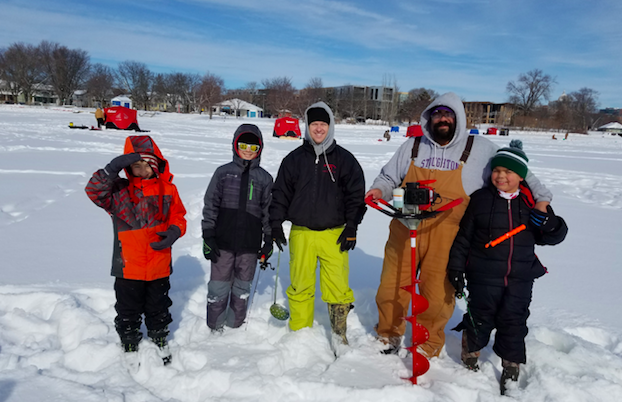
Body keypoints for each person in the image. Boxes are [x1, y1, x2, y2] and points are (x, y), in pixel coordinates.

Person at [365, 92, 553, 357]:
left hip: (448, 234)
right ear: (429, 118)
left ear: (458, 119)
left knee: (437, 293)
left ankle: (427, 344)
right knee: (392, 285)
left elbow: (518, 170)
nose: (442, 119)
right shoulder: (413, 145)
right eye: (437, 114)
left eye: (448, 114)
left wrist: (542, 199)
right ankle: (388, 333)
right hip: (405, 228)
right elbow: (388, 177)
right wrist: (378, 191)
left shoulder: (481, 148)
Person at [447, 141, 567, 394]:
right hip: (483, 275)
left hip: (520, 277)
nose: (501, 176)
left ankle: (511, 367)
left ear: (520, 176)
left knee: (514, 321)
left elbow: (553, 237)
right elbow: (463, 239)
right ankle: (470, 356)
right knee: (479, 317)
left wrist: (551, 224)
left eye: (508, 172)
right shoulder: (480, 200)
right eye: (496, 170)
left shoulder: (532, 202)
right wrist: (456, 269)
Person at [270, 101, 366, 348]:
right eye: (314, 124)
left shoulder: (344, 160)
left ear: (330, 126)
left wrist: (352, 227)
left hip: (334, 233)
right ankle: (300, 334)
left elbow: (356, 196)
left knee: (338, 286)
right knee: (300, 284)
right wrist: (276, 223)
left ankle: (338, 334)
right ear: (307, 126)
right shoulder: (293, 160)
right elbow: (280, 193)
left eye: (323, 124)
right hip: (301, 232)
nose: (319, 129)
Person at [85, 135, 187, 365]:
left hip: (159, 263)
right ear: (127, 168)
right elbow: (93, 191)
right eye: (136, 165)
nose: (142, 170)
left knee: (158, 305)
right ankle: (129, 338)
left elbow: (179, 217)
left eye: (147, 164)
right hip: (128, 264)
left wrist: (174, 232)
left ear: (156, 164)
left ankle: (159, 335)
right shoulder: (118, 191)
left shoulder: (168, 189)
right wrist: (111, 170)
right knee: (127, 307)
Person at [202, 124, 273, 333]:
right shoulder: (223, 173)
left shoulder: (264, 178)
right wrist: (208, 235)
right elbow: (211, 205)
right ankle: (214, 324)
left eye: (253, 147)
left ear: (260, 149)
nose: (248, 151)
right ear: (235, 145)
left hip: (249, 245)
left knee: (242, 286)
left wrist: (268, 239)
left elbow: (268, 212)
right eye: (243, 145)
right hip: (222, 242)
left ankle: (235, 324)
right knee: (219, 285)